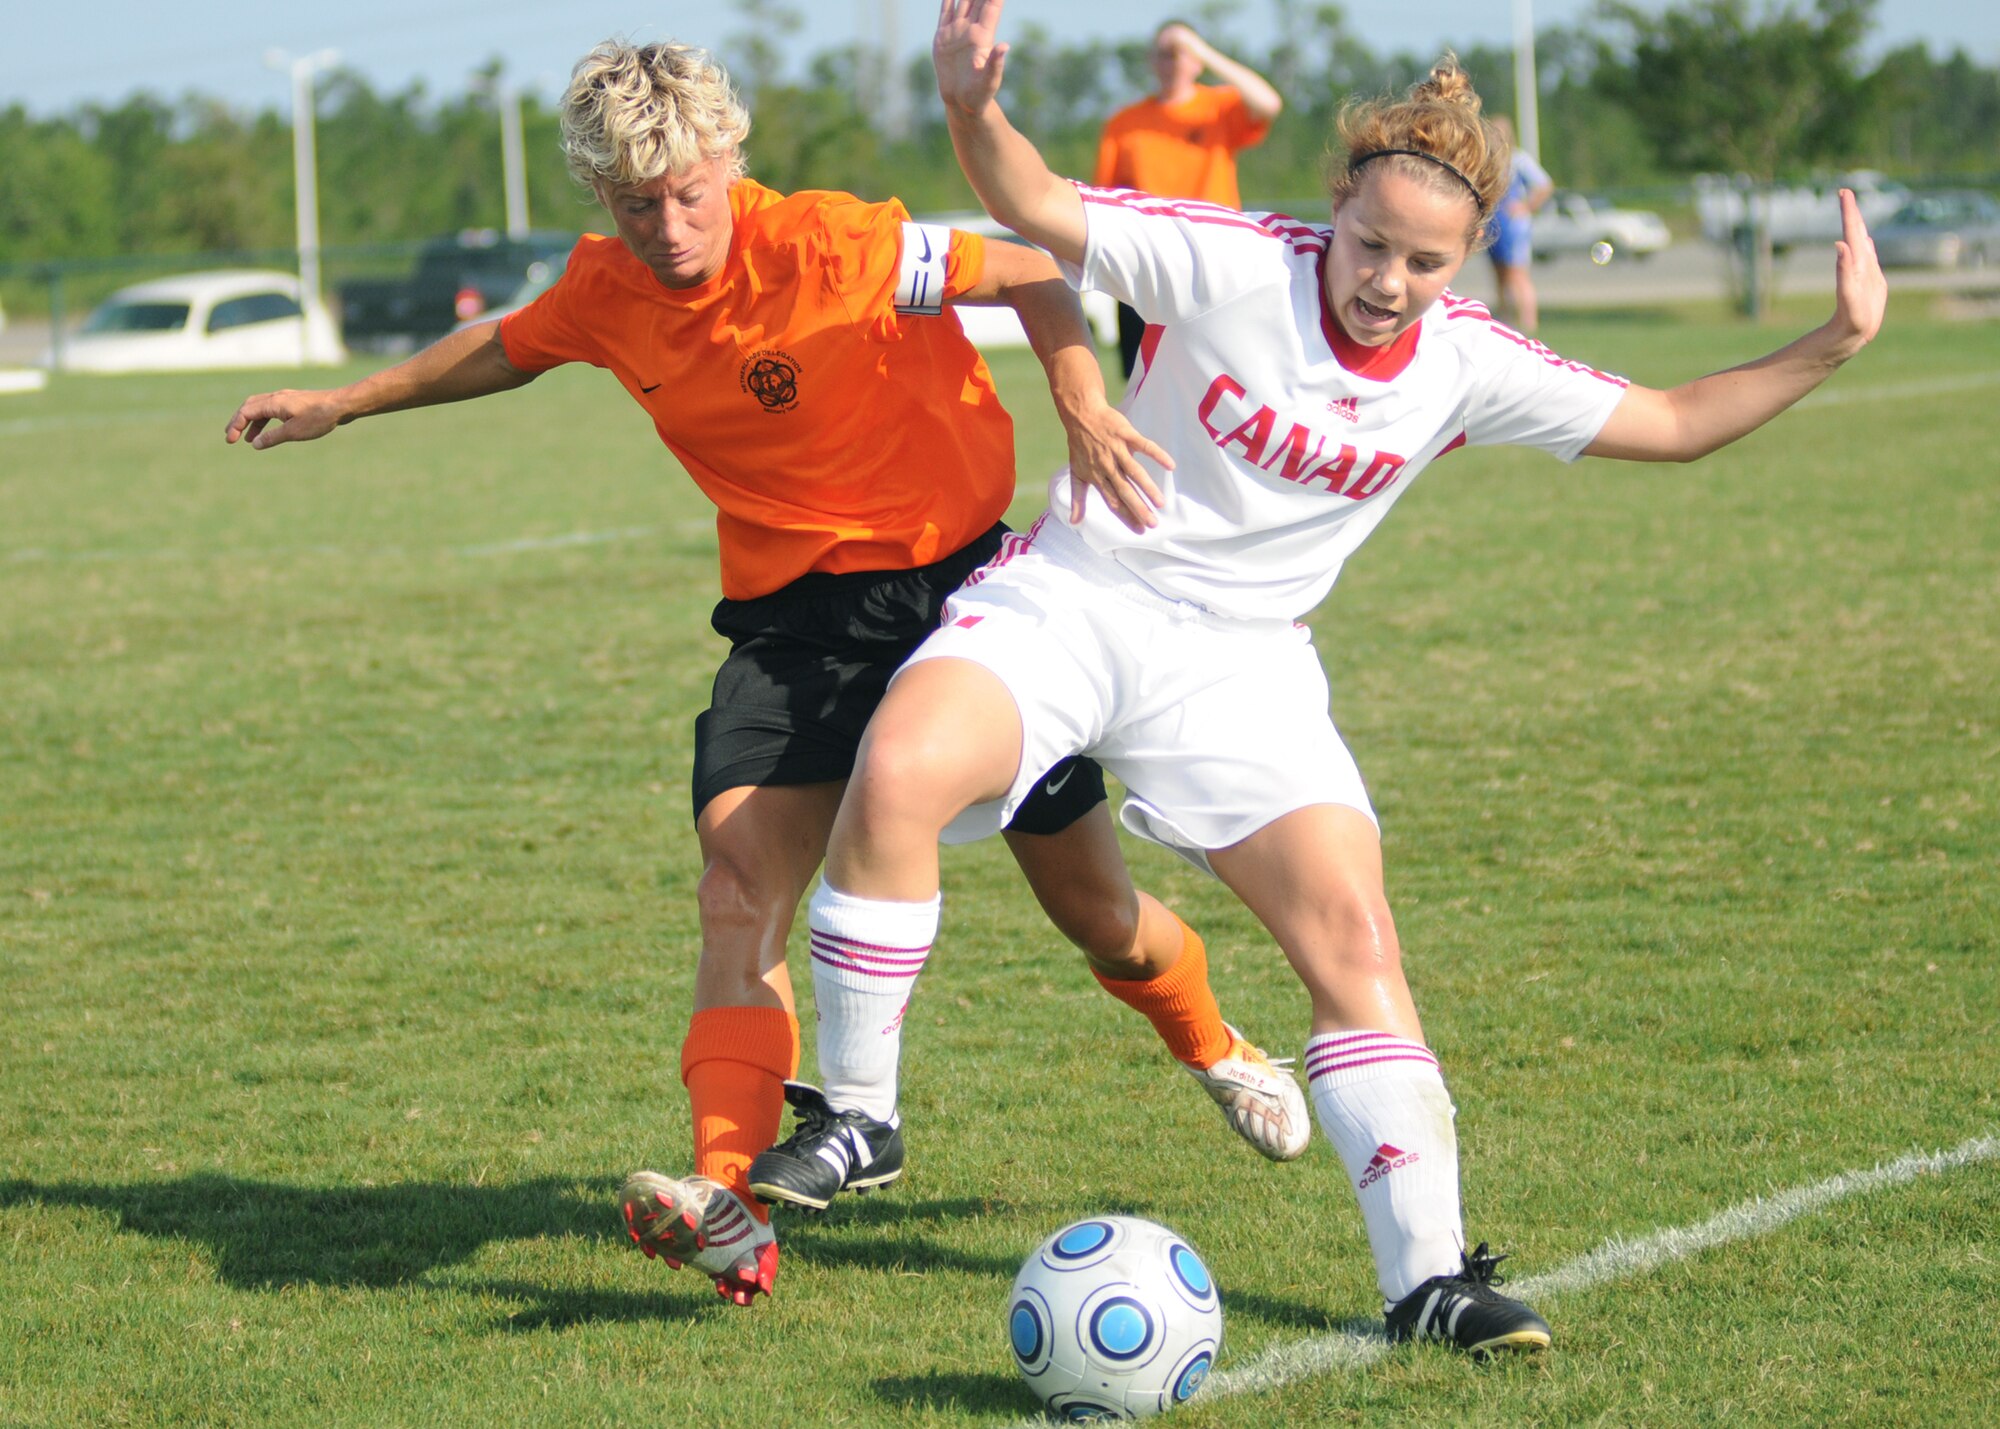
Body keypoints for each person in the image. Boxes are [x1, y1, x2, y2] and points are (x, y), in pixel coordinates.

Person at [790, 0, 1886, 1352]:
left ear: (1464, 259)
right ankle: (856, 1113)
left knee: (1356, 943)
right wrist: (970, 104)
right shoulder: (1233, 262)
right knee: (900, 765)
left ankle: (1431, 1280)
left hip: (1246, 672)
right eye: (1370, 245)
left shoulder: (1470, 361)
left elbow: (1665, 423)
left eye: (1425, 263)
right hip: (1082, 596)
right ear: (1335, 215)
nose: (1386, 280)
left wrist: (1831, 342)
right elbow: (1037, 203)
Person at [223, 37, 1310, 1309]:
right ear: (600, 196)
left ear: (730, 158)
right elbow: (508, 348)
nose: (671, 226)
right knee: (738, 884)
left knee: (1097, 917)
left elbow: (1030, 277)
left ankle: (1213, 1042)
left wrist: (1081, 400)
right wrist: (346, 401)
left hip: (964, 595)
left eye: (689, 191)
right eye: (637, 204)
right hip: (792, 626)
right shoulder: (604, 286)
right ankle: (728, 1203)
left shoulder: (836, 244)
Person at [1092, 19, 1281, 377]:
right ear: (1152, 61)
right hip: (1148, 259)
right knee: (1143, 373)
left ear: (1197, 61)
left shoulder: (1219, 105)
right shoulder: (1125, 123)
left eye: (1182, 54)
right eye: (1165, 54)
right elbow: (1105, 200)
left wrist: (1203, 50)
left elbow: (1268, 103)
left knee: (1221, 365)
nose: (1173, 63)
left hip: (1216, 252)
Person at [1486, 115, 1554, 334]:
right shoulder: (1488, 161)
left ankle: (1528, 320)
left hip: (1513, 226)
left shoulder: (1519, 160)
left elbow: (1544, 185)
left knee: (1517, 273)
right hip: (1493, 223)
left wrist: (1526, 206)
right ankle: (1504, 318)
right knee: (1499, 273)